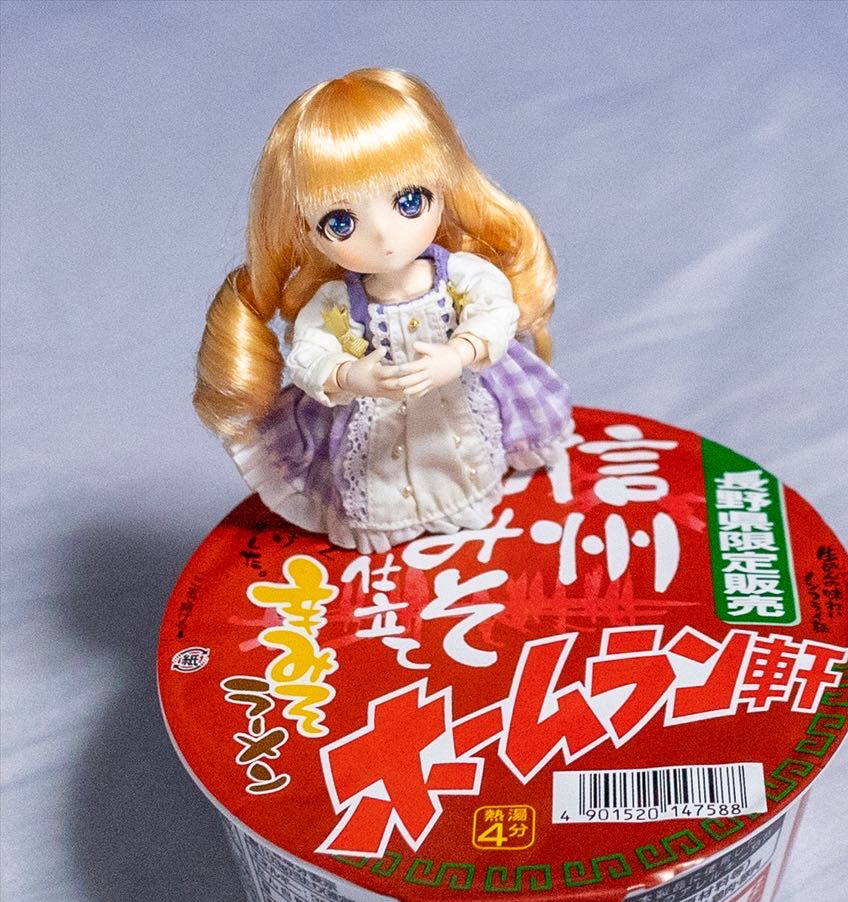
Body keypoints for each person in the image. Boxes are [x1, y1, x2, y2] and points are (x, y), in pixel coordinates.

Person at [194, 69, 571, 553]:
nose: (383, 235)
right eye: (341, 221)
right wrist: (350, 375)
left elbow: (496, 310)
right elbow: (310, 353)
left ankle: (463, 502)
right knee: (380, 476)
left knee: (464, 452)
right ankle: (393, 523)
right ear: (307, 230)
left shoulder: (459, 275)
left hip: (453, 403)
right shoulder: (336, 303)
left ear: (443, 186)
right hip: (377, 424)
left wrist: (459, 353)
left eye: (409, 201)